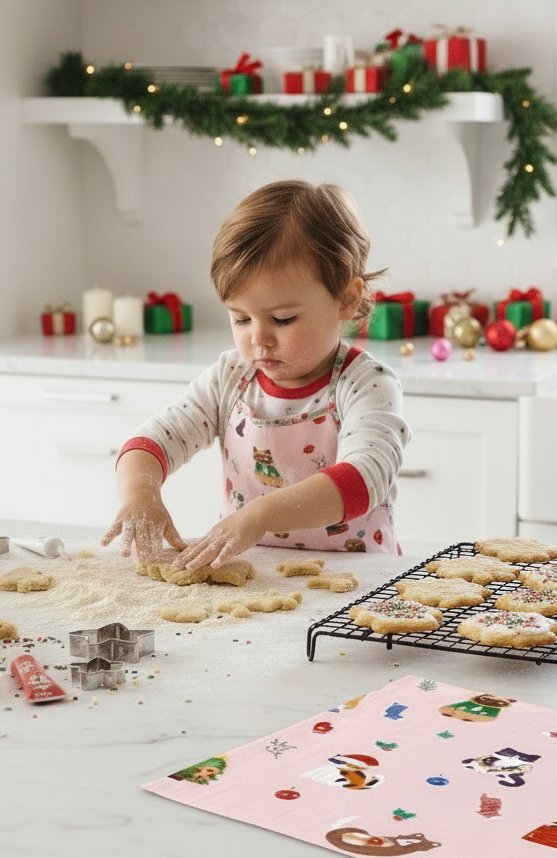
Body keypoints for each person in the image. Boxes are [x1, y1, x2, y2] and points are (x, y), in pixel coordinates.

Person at [101, 179, 411, 570]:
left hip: (356, 580)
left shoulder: (366, 385)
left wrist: (259, 515)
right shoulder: (229, 379)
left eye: (283, 318)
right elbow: (152, 441)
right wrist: (140, 495)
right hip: (255, 572)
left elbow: (364, 479)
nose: (259, 338)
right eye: (241, 317)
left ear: (346, 299)